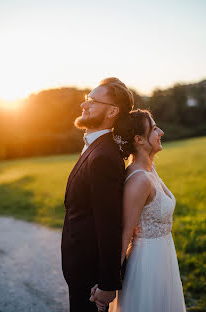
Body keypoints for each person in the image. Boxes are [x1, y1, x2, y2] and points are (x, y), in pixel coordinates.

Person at [61, 77, 134, 312]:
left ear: (112, 111)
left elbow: (109, 224)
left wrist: (107, 283)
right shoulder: (95, 147)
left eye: (92, 101)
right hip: (80, 267)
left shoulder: (104, 156)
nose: (84, 105)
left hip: (90, 275)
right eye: (86, 99)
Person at [107, 109, 186, 312]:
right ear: (139, 139)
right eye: (154, 128)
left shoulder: (151, 170)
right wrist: (108, 284)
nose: (160, 131)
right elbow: (124, 235)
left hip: (163, 256)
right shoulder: (139, 179)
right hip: (147, 265)